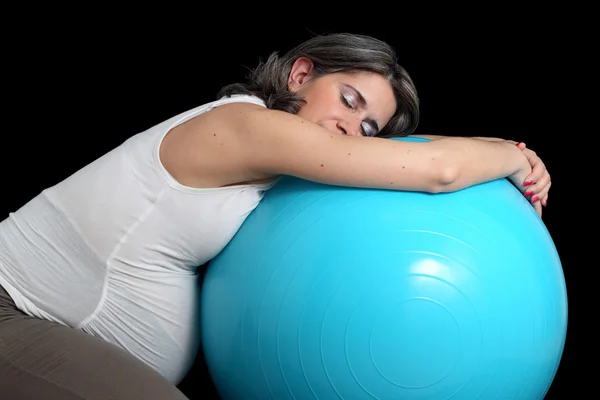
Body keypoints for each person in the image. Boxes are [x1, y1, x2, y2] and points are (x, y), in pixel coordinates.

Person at [0, 32, 550, 399]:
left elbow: (422, 160)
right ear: (300, 76)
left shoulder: (272, 174)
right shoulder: (247, 127)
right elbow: (437, 170)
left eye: (368, 130)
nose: (349, 128)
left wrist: (497, 148)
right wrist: (517, 157)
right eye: (349, 100)